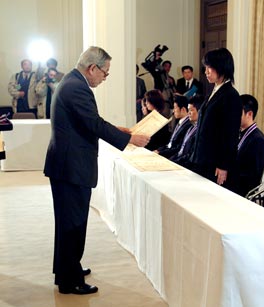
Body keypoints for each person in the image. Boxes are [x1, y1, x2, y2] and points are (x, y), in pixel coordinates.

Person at [44, 46, 151, 295]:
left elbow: (88, 120)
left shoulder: (72, 82)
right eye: (105, 73)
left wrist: (119, 130)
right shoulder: (76, 87)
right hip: (71, 167)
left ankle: (67, 270)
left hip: (67, 165)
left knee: (68, 223)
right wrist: (130, 139)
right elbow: (93, 123)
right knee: (73, 223)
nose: (105, 78)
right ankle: (70, 281)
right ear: (92, 68)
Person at [190, 48, 242, 188]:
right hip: (201, 157)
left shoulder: (231, 96)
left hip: (214, 162)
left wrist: (223, 165)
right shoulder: (213, 91)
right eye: (205, 67)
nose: (206, 71)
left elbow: (230, 134)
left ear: (222, 67)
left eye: (210, 67)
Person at [231, 94, 264, 197]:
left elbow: (252, 177)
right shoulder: (239, 132)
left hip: (240, 191)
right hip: (232, 184)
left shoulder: (257, 140)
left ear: (249, 114)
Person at [170, 95, 204, 167]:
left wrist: (174, 162)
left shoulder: (201, 131)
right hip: (180, 161)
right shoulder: (191, 128)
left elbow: (190, 155)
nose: (188, 113)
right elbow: (181, 150)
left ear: (200, 111)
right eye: (188, 110)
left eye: (191, 110)